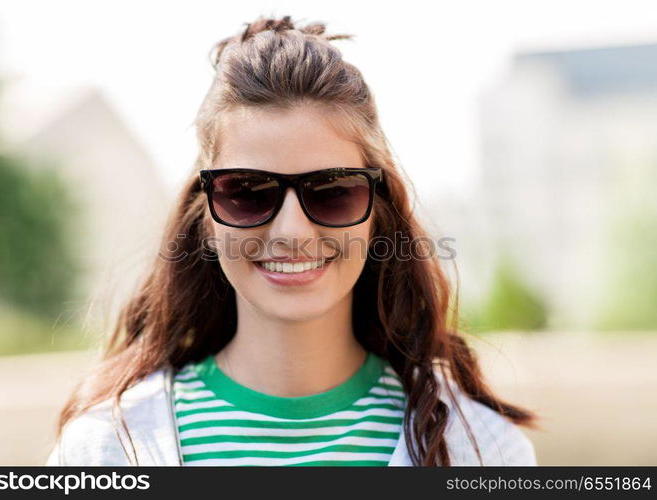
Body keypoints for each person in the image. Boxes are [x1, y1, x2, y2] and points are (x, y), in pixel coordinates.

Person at [45, 15, 537, 467]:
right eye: (246, 192)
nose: (291, 232)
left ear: (377, 211)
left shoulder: (484, 451)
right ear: (207, 216)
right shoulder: (105, 446)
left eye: (333, 191)